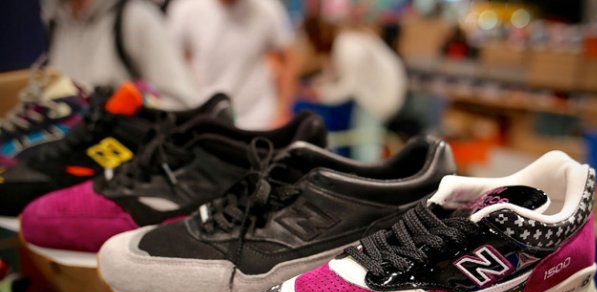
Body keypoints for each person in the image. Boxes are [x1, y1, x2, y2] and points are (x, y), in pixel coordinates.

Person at [41, 0, 200, 109]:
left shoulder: (135, 16)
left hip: (126, 144)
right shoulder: (56, 23)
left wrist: (134, 109)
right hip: (73, 145)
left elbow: (184, 102)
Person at [167, 0, 297, 129]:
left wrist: (282, 112)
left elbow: (288, 60)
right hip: (207, 117)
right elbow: (175, 66)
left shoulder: (268, 8)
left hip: (259, 118)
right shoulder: (185, 9)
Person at [302, 15, 407, 162]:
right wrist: (316, 87)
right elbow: (333, 75)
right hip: (379, 92)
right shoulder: (345, 42)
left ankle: (368, 174)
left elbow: (347, 87)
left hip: (379, 97)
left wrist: (319, 94)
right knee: (365, 142)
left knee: (364, 147)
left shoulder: (346, 45)